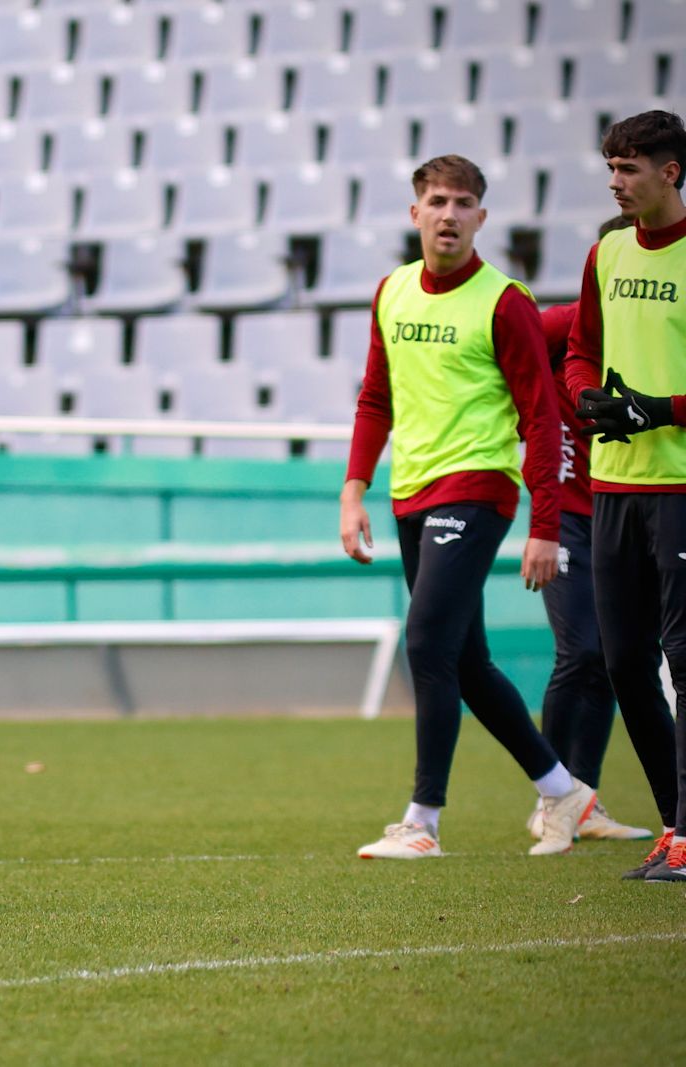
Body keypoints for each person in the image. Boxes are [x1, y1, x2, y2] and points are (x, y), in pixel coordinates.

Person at [339, 154, 594, 860]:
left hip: (478, 487)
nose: (449, 214)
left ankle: (423, 820)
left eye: (463, 202)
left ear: (482, 216)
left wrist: (545, 526)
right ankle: (562, 787)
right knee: (468, 659)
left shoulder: (504, 301)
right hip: (409, 493)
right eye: (437, 201)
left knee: (424, 641)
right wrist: (353, 487)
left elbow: (542, 417)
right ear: (414, 213)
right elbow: (375, 397)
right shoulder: (391, 292)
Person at [565, 109, 686, 883]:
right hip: (614, 486)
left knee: (684, 654)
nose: (616, 180)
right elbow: (581, 348)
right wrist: (587, 399)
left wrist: (660, 409)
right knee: (624, 662)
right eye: (611, 165)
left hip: (679, 483)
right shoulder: (606, 251)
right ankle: (677, 826)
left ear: (671, 172)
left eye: (631, 166)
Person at [526, 215, 650, 845]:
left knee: (607, 661)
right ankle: (552, 800)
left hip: (620, 507)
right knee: (579, 653)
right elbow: (506, 350)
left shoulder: (654, 327)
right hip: (567, 517)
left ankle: (585, 800)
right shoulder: (565, 323)